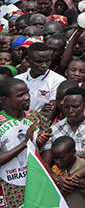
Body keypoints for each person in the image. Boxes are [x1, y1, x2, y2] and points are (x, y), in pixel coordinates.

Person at [0, 78, 52, 208]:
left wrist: (44, 171)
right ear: (4, 99)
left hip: (35, 182)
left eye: (27, 93)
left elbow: (48, 147)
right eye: (20, 95)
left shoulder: (35, 117)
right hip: (9, 187)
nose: (27, 97)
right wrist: (25, 142)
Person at [49, 136, 85, 208]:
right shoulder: (54, 170)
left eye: (61, 158)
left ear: (73, 152)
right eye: (54, 158)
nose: (57, 162)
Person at [15, 41, 65, 112]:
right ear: (28, 60)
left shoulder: (58, 81)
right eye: (39, 62)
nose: (44, 65)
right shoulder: (17, 80)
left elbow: (50, 111)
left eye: (47, 61)